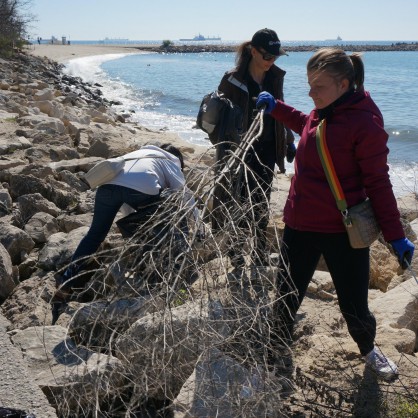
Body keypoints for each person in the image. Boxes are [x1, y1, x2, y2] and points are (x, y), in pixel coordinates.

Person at [256, 47, 415, 380]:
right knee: (286, 294)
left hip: (342, 231)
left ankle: (369, 351)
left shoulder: (364, 123)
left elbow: (378, 184)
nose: (310, 93)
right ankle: (274, 352)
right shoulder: (323, 108)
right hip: (298, 224)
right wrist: (277, 109)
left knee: (354, 305)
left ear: (344, 84)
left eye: (318, 87)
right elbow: (308, 126)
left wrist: (396, 235)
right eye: (309, 85)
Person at [52, 144, 199, 322]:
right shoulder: (170, 161)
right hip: (142, 189)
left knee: (95, 236)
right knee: (172, 206)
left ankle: (66, 284)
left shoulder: (139, 155)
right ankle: (170, 273)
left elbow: (127, 206)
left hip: (106, 187)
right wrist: (199, 227)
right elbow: (185, 196)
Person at [213, 28, 295, 268]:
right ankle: (236, 253)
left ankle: (259, 251)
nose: (271, 61)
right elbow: (218, 117)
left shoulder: (274, 77)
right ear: (253, 51)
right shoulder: (232, 79)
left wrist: (289, 141)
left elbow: (281, 109)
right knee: (237, 199)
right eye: (267, 56)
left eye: (275, 56)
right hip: (239, 150)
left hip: (268, 147)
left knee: (261, 200)